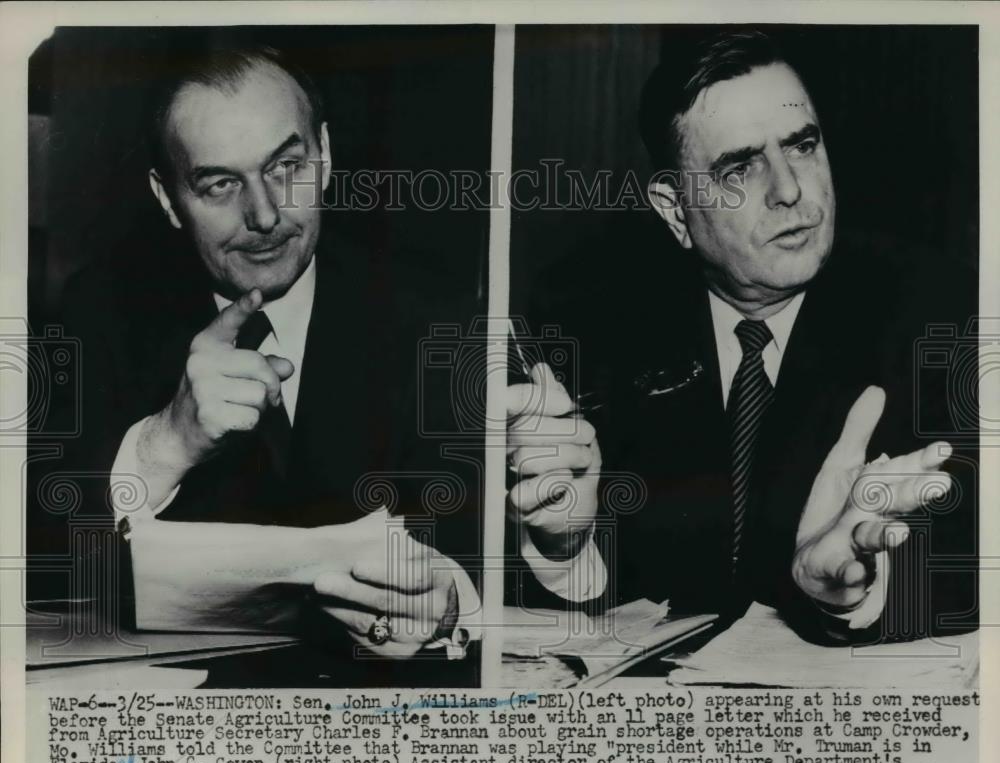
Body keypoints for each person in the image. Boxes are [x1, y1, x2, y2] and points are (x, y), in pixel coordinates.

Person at [506, 27, 977, 643]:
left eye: (802, 146)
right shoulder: (590, 325)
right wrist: (566, 549)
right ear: (675, 209)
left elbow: (974, 544)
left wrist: (853, 592)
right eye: (739, 168)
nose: (789, 190)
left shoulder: (944, 313)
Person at [35, 40, 483, 680]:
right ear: (168, 199)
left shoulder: (434, 319)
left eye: (285, 167)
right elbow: (38, 561)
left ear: (324, 155)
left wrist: (446, 603)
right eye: (220, 184)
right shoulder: (100, 313)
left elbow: (478, 546)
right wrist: (166, 443)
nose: (266, 214)